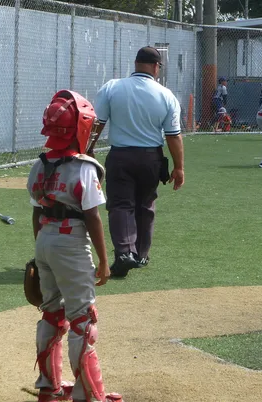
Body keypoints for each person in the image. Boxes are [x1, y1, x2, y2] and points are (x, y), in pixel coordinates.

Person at [27, 90, 125, 402]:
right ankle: (89, 397)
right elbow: (93, 216)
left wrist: (43, 250)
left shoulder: (40, 165)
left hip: (44, 239)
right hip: (71, 244)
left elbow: (36, 213)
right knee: (84, 320)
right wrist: (104, 260)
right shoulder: (84, 167)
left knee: (52, 314)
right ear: (80, 128)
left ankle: (48, 388)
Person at [93, 46, 185, 278]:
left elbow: (97, 123)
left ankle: (125, 252)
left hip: (120, 155)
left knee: (121, 204)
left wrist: (88, 150)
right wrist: (179, 167)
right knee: (145, 205)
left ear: (135, 64)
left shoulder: (112, 87)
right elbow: (173, 135)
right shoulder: (166, 95)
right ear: (156, 67)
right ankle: (142, 254)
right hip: (151, 157)